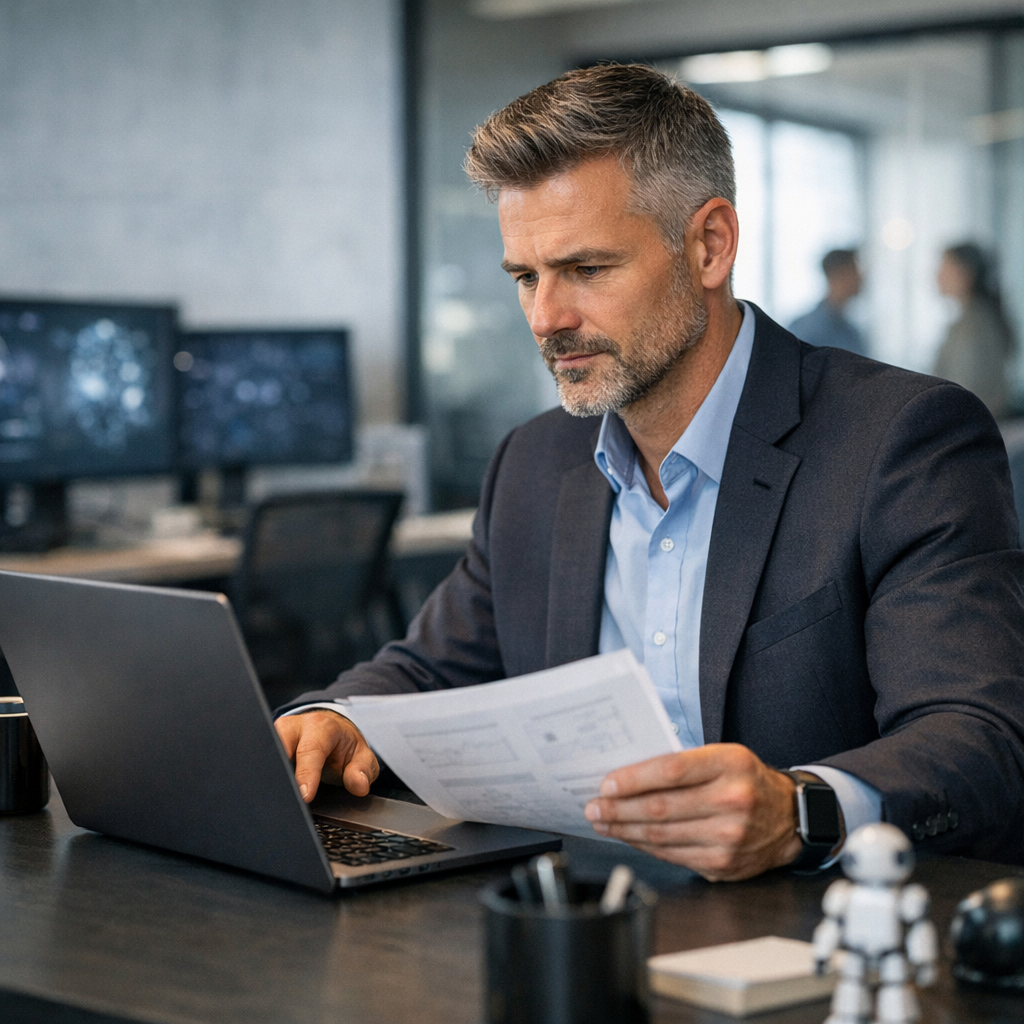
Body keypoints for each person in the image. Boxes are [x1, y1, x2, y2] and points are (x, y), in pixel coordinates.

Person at [274, 65, 1024, 881]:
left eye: (587, 270)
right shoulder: (535, 461)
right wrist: (335, 718)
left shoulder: (899, 439)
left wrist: (800, 807)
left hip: (816, 936)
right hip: (586, 924)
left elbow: (978, 733)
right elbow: (430, 668)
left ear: (709, 245)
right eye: (526, 276)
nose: (546, 318)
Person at [933, 242, 1014, 420]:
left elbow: (963, 392)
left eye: (944, 267)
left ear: (965, 273)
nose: (937, 276)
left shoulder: (973, 327)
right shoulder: (981, 317)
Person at [789, 249, 867, 356]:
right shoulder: (804, 330)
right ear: (840, 274)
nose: (861, 277)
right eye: (855, 269)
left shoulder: (852, 333)